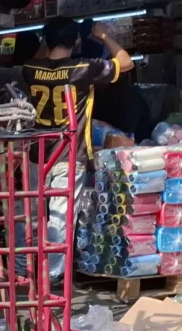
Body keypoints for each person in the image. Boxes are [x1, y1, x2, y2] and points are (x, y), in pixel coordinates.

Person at [19, 16, 134, 280]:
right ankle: (52, 275)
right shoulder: (84, 67)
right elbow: (125, 62)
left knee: (33, 214)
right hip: (69, 153)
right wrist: (103, 35)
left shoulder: (29, 68)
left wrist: (45, 44)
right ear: (77, 41)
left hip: (37, 152)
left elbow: (41, 57)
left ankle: (25, 269)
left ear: (46, 41)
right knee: (60, 216)